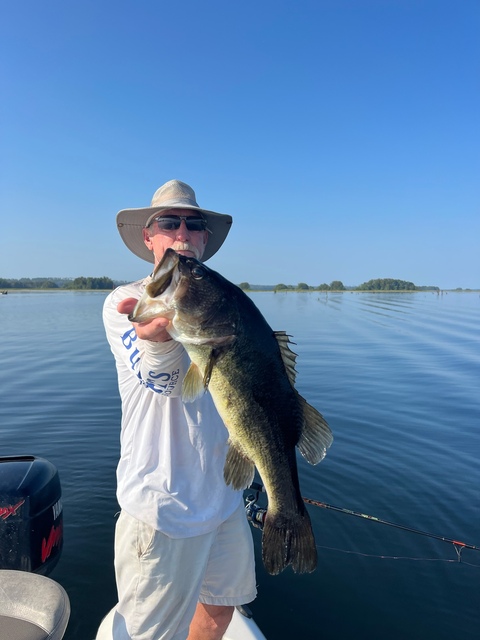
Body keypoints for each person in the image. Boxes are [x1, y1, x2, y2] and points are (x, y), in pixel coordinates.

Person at [97, 180, 257, 640]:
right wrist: (163, 343)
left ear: (205, 239)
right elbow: (163, 382)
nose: (182, 230)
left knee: (221, 611)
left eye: (194, 223)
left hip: (224, 500)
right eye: (169, 221)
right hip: (162, 509)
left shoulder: (224, 305)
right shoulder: (124, 305)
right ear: (150, 238)